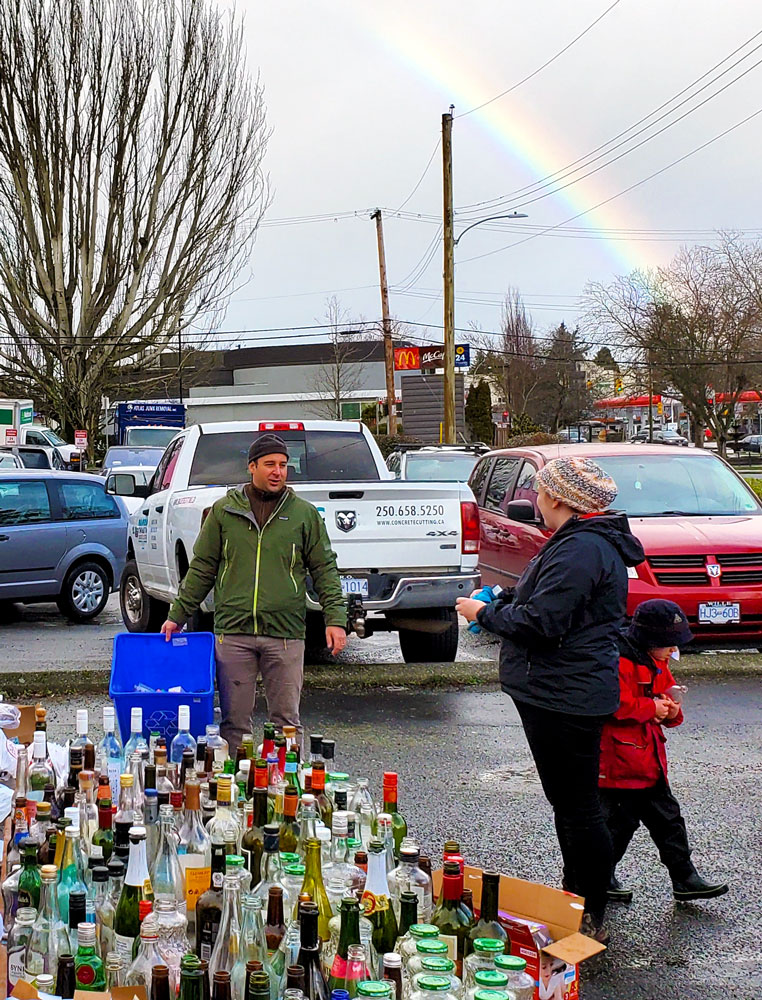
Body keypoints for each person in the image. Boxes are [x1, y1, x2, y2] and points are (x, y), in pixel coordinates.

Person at [456, 456, 645, 942]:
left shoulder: (582, 548)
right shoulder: (580, 543)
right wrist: (502, 601)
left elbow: (544, 623)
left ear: (559, 499)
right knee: (571, 803)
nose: (534, 499)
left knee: (578, 806)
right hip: (563, 689)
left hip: (566, 693)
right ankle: (576, 898)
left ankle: (589, 906)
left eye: (540, 491)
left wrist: (485, 613)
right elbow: (542, 603)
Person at [161, 433, 347, 748]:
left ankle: (283, 792)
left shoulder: (303, 515)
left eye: (284, 465)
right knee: (234, 726)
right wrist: (177, 614)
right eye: (270, 464)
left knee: (287, 725)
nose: (278, 471)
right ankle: (235, 791)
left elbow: (325, 569)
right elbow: (203, 567)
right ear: (252, 467)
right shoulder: (223, 512)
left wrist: (335, 619)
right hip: (234, 632)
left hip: (285, 633)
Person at [600, 599, 729, 903]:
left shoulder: (657, 662)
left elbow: (668, 697)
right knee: (623, 824)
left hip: (648, 761)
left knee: (665, 822)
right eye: (669, 644)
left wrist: (671, 711)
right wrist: (653, 708)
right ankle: (603, 876)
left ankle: (683, 877)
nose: (674, 651)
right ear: (650, 640)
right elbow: (614, 705)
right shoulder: (619, 663)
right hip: (621, 763)